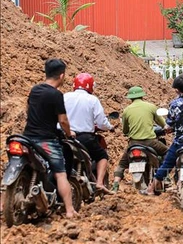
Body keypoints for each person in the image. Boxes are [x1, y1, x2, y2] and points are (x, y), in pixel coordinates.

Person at [22, 58, 78, 218]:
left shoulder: (35, 90)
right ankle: (69, 210)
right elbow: (63, 120)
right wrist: (69, 134)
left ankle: (3, 204)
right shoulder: (56, 95)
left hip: (26, 138)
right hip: (46, 140)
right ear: (61, 76)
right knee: (60, 173)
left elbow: (29, 110)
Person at [64, 73, 114, 195]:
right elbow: (101, 122)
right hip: (85, 138)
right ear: (90, 86)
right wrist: (110, 127)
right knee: (102, 156)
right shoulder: (92, 100)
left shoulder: (65, 97)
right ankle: (99, 183)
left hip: (65, 137)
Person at [111, 86, 168, 193]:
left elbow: (125, 130)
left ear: (130, 98)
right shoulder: (151, 107)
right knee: (167, 153)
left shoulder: (126, 110)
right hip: (151, 142)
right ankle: (166, 176)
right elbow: (163, 124)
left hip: (133, 143)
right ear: (142, 96)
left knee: (122, 164)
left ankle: (115, 184)